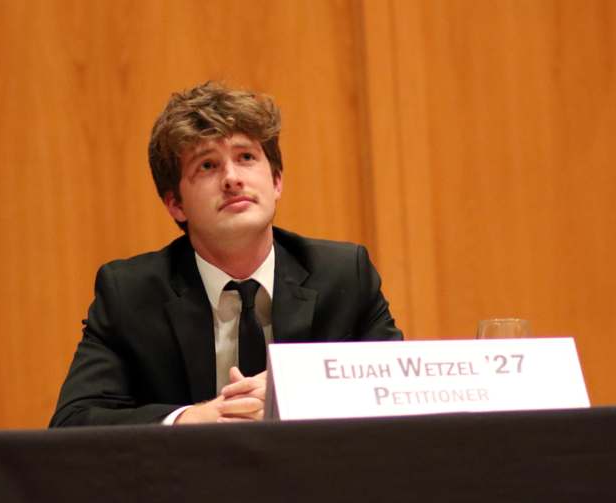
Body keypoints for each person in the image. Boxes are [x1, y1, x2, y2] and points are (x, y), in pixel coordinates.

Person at [50, 81, 403, 427]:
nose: (232, 178)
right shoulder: (130, 294)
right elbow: (74, 421)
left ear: (276, 181)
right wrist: (189, 418)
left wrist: (298, 393)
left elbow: (402, 395)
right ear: (175, 204)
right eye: (207, 165)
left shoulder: (343, 275)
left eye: (246, 157)